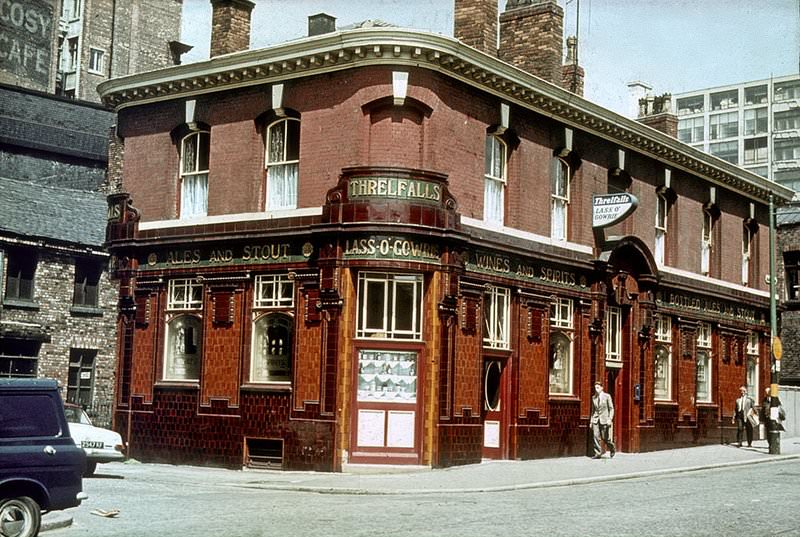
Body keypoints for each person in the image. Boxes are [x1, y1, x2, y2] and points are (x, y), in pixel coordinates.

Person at [590, 381, 615, 459]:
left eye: (598, 388)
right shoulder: (594, 397)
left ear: (601, 388)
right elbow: (593, 410)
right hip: (595, 419)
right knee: (595, 436)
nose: (596, 389)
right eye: (595, 388)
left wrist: (609, 419)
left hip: (604, 420)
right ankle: (598, 453)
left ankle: (612, 448)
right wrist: (591, 421)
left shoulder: (607, 396)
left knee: (605, 438)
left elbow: (611, 409)